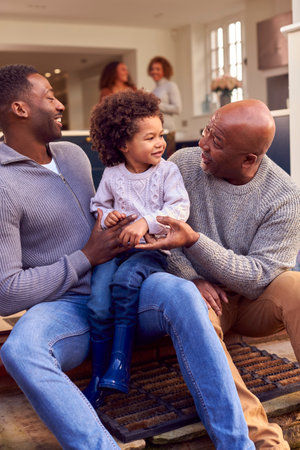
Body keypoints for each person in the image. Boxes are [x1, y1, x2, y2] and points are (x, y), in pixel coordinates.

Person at [0, 64, 255, 450]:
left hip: (133, 283)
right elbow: (6, 291)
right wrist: (86, 257)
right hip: (68, 306)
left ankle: (238, 445)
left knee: (185, 296)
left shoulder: (73, 155)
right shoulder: (3, 185)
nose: (59, 104)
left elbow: (122, 205)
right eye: (49, 96)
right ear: (19, 108)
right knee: (20, 349)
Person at [137, 98, 300, 449]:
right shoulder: (183, 164)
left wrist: (196, 241)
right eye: (208, 130)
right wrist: (189, 277)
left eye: (217, 141)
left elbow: (261, 276)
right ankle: (262, 441)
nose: (203, 143)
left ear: (249, 160)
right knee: (191, 304)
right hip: (203, 300)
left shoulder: (284, 196)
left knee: (297, 287)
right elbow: (160, 235)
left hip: (254, 303)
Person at [83, 89, 190, 407]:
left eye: (161, 135)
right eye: (150, 137)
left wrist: (145, 222)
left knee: (125, 282)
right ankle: (99, 377)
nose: (160, 143)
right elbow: (99, 206)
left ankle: (120, 366)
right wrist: (108, 215)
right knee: (98, 303)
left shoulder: (167, 172)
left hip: (150, 250)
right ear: (123, 144)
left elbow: (179, 208)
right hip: (115, 249)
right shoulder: (113, 176)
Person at [147, 56, 182, 158]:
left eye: (158, 69)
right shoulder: (154, 90)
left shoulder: (171, 86)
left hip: (168, 130)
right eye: (152, 69)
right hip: (155, 131)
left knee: (168, 161)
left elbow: (177, 108)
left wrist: (157, 104)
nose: (154, 72)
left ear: (165, 70)